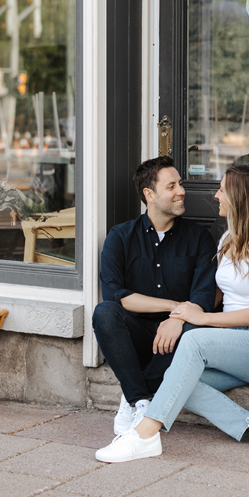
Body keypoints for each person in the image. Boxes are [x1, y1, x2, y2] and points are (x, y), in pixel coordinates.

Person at [94, 163, 249, 463]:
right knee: (177, 381)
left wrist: (196, 319)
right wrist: (186, 314)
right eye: (172, 186)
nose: (215, 194)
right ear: (149, 194)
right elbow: (215, 295)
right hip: (230, 341)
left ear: (239, 197)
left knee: (193, 342)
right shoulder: (227, 241)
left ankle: (145, 435)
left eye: (222, 189)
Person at [92, 156, 219, 435]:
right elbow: (117, 295)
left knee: (193, 326)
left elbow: (203, 297)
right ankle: (140, 400)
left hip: (180, 338)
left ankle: (133, 396)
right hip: (137, 336)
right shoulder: (121, 237)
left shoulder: (199, 238)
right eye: (171, 186)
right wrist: (175, 307)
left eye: (181, 184)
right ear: (149, 194)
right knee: (104, 312)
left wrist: (177, 320)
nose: (181, 191)